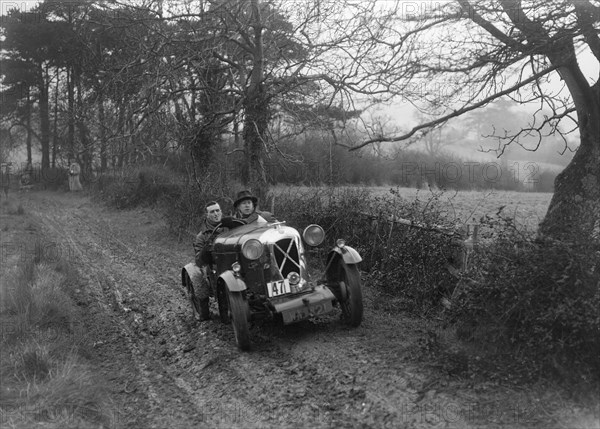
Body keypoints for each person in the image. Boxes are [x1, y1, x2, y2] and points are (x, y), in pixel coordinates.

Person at [192, 201, 228, 321]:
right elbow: (199, 261)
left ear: (221, 212)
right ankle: (225, 308)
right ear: (207, 215)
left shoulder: (230, 226)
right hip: (215, 266)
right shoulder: (202, 236)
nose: (216, 214)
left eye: (218, 210)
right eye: (212, 212)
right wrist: (206, 249)